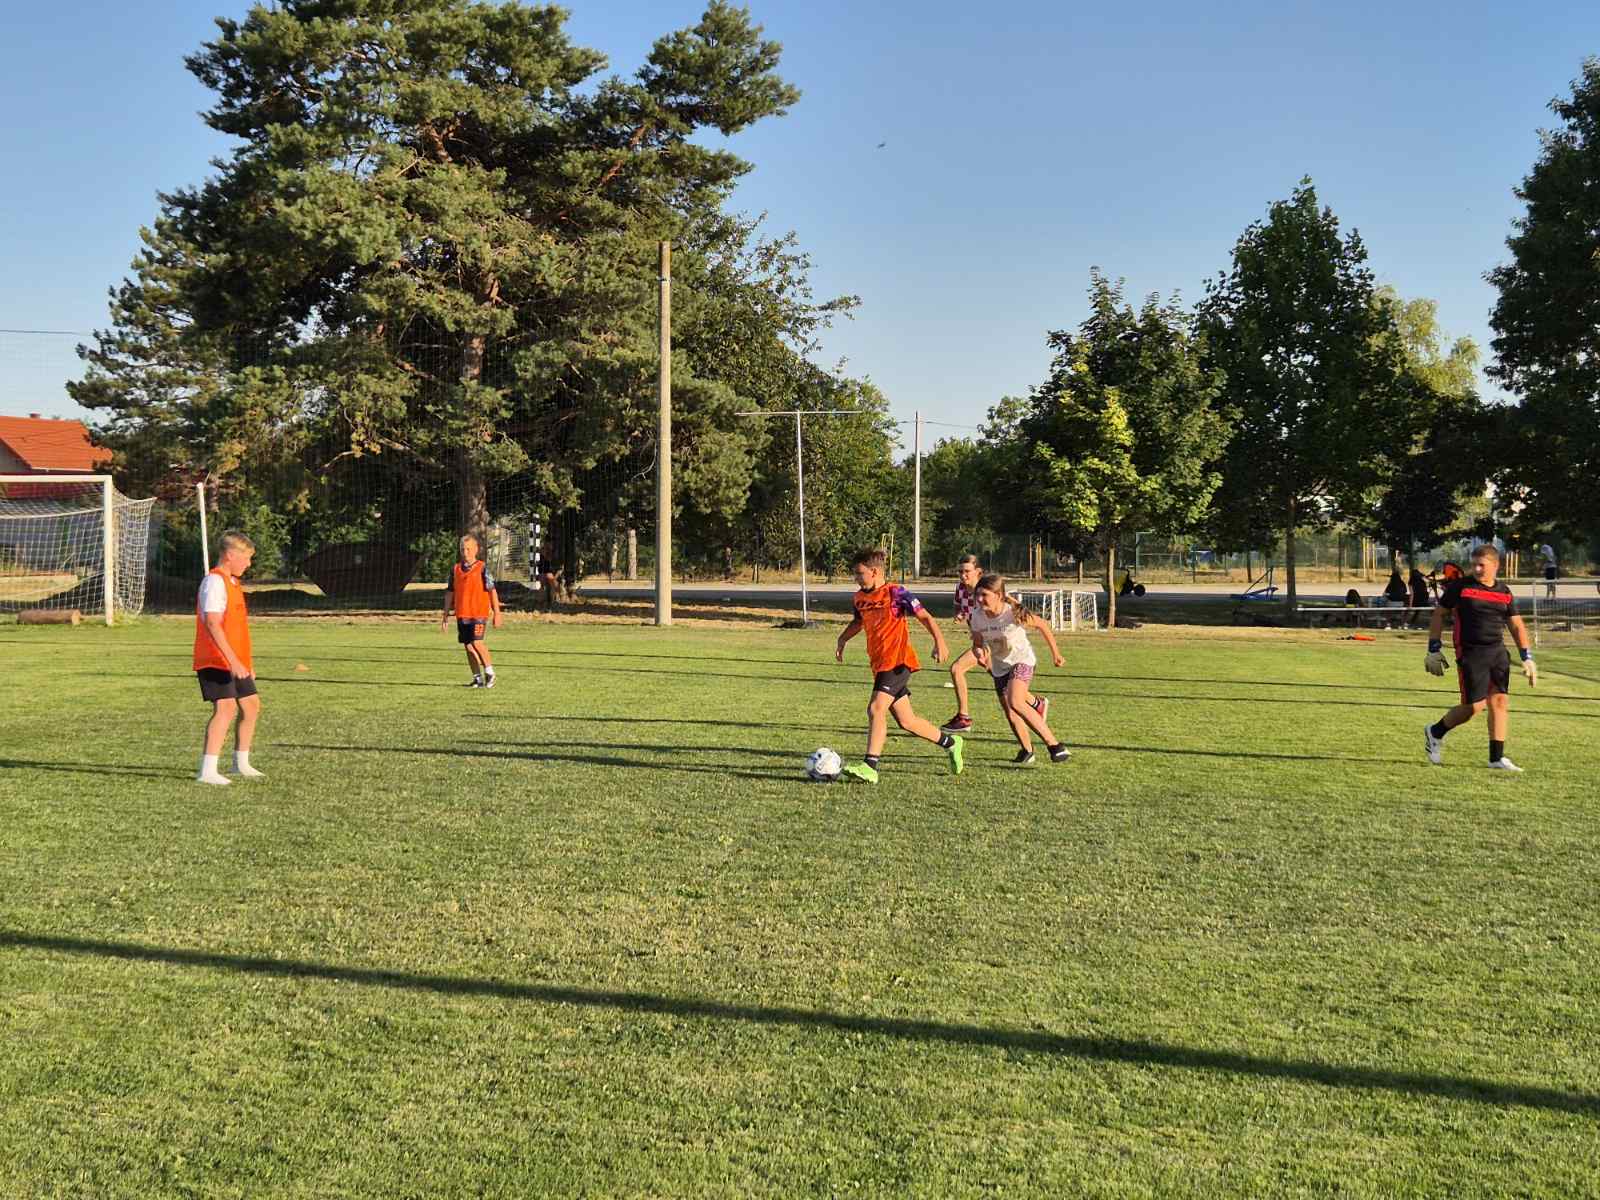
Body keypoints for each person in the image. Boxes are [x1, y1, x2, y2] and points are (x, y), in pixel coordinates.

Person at [835, 547, 963, 783]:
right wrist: (843, 639)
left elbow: (925, 616)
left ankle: (870, 766)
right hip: (879, 664)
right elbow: (858, 622)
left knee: (875, 709)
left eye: (859, 573)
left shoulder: (896, 593)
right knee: (907, 721)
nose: (856, 577)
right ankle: (951, 743)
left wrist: (940, 642)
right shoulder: (859, 598)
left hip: (898, 661)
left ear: (874, 571)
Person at [1422, 544, 1536, 772]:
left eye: (1481, 564)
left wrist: (1527, 656)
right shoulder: (1460, 587)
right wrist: (1434, 648)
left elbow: (1515, 623)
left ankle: (1496, 758)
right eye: (1473, 564)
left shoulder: (1504, 591)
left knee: (1500, 701)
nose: (1476, 568)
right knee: (1473, 707)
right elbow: (1439, 613)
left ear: (1496, 565)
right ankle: (1435, 732)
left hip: (1497, 652)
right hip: (1471, 653)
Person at [968, 573, 1071, 764]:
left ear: (998, 595)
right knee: (1010, 711)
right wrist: (980, 652)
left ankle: (1055, 746)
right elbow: (977, 642)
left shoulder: (1012, 613)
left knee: (1015, 701)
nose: (980, 599)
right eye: (978, 595)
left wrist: (1056, 654)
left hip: (1022, 660)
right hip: (1000, 667)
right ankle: (1027, 750)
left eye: (985, 595)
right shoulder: (976, 617)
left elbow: (1042, 625)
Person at [941, 554, 1049, 733]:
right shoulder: (960, 589)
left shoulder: (989, 588)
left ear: (978, 572)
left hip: (997, 646)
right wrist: (960, 615)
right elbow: (959, 607)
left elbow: (1017, 609)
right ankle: (1035, 707)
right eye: (959, 571)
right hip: (983, 643)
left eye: (966, 571)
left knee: (957, 669)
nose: (962, 575)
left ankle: (964, 717)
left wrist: (1019, 616)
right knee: (1006, 693)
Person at [193, 531, 263, 786]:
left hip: (235, 660)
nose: (249, 563)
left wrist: (245, 662)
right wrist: (232, 660)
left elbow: (236, 629)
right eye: (246, 557)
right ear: (230, 555)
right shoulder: (214, 582)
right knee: (226, 708)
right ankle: (207, 771)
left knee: (251, 705)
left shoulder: (233, 583)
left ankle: (240, 763)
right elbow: (212, 623)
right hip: (216, 658)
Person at [441, 534, 503, 687]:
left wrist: (497, 613)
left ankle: (490, 673)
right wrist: (445, 615)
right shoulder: (455, 570)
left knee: (477, 642)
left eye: (469, 549)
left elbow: (492, 591)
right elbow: (450, 592)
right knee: (468, 645)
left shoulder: (482, 568)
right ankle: (477, 678)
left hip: (478, 613)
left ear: (476, 550)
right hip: (463, 613)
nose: (465, 552)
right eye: (463, 549)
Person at [1407, 564, 1430, 628]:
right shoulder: (1423, 581)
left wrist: (1410, 605)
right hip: (1424, 599)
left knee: (1414, 609)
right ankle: (1412, 622)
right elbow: (1426, 591)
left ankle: (1409, 623)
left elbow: (1412, 594)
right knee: (1418, 610)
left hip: (1417, 600)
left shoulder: (1411, 582)